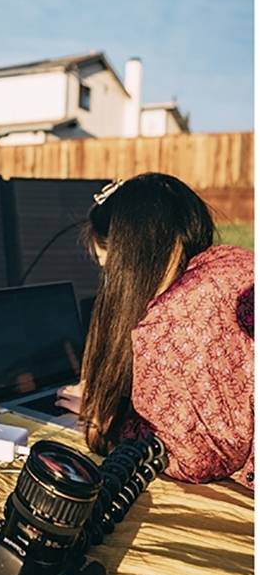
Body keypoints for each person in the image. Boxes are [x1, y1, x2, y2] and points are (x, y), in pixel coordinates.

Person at [55, 173, 254, 490]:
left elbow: (199, 457)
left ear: (131, 259)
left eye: (110, 269)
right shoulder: (232, 262)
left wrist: (111, 425)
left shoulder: (171, 318)